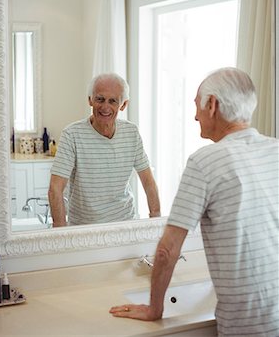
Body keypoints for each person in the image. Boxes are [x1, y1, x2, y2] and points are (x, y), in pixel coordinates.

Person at [110, 67, 279, 337]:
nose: (195, 116)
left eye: (197, 105)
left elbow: (167, 249)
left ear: (212, 105)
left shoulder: (206, 161)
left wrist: (155, 308)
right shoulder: (274, 150)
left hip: (249, 324)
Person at [48, 72, 160, 226]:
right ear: (90, 100)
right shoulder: (72, 134)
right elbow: (55, 188)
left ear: (123, 105)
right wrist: (60, 234)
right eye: (100, 99)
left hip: (125, 224)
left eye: (113, 101)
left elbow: (148, 181)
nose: (105, 107)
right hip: (84, 228)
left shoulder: (131, 132)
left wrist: (156, 222)